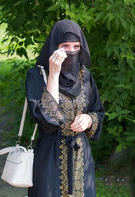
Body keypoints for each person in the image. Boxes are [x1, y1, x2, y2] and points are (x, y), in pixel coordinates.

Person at [25, 20, 105, 197]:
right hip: (49, 158)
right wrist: (53, 74)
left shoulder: (85, 77)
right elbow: (46, 120)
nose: (71, 51)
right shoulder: (37, 76)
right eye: (65, 46)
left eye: (76, 46)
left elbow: (98, 111)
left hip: (80, 157)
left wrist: (89, 120)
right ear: (54, 46)